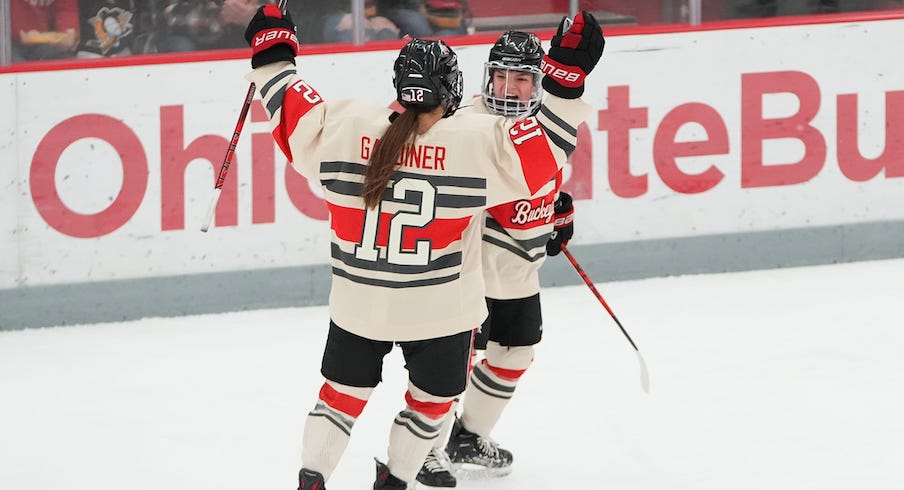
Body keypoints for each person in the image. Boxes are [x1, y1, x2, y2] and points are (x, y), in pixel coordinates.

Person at [242, 4, 603, 489]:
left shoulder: (347, 126)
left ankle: (312, 480)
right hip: (440, 311)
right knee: (429, 403)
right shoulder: (472, 142)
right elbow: (544, 158)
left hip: (359, 306)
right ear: (455, 90)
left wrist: (274, 46)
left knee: (339, 398)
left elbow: (286, 100)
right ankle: (395, 481)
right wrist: (565, 82)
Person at [414, 30, 580, 488]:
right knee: (454, 365)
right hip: (471, 273)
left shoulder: (549, 123)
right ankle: (424, 449)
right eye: (501, 75)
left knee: (517, 351)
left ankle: (467, 438)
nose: (509, 87)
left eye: (522, 78)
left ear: (538, 82)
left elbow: (537, 178)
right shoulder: (466, 121)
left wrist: (553, 210)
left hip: (518, 274)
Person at [10, 0, 80, 62]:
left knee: (66, 63)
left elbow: (66, 9)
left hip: (43, 44)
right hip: (8, 42)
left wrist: (67, 32)